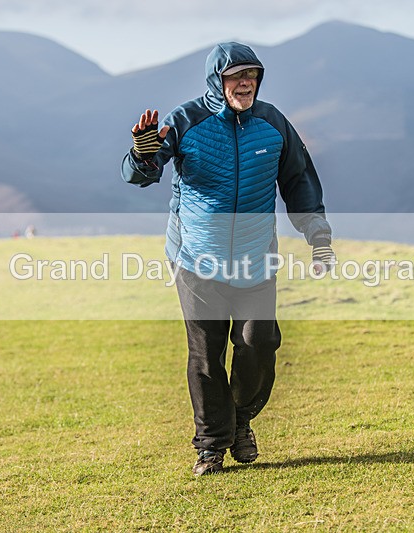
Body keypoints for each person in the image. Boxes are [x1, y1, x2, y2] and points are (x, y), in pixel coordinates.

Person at [121, 42, 335, 476]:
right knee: (206, 354)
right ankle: (212, 447)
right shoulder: (187, 120)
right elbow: (143, 174)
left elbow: (298, 180)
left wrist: (318, 235)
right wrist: (144, 152)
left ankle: (240, 418)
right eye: (236, 76)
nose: (245, 83)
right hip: (196, 259)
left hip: (255, 261)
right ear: (217, 81)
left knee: (260, 343)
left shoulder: (273, 124)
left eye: (252, 76)